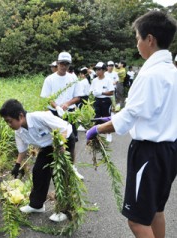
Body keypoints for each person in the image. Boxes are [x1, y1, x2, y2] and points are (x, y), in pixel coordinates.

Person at [86, 11, 177, 238]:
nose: (137, 44)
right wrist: (113, 118)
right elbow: (149, 110)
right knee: (156, 210)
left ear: (150, 39)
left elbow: (127, 118)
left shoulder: (149, 75)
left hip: (149, 153)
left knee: (136, 221)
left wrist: (97, 129)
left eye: (137, 38)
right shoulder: (172, 72)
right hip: (170, 150)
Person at [0, 99, 78, 222]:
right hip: (47, 147)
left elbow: (64, 128)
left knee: (60, 176)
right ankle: (36, 205)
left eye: (10, 121)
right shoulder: (19, 131)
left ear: (20, 116)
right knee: (38, 172)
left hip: (64, 141)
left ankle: (64, 210)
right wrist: (17, 165)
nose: (9, 125)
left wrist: (60, 145)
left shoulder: (40, 117)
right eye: (6, 122)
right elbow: (22, 150)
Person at [40, 51, 83, 179]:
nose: (64, 66)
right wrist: (57, 106)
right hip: (53, 113)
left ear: (69, 65)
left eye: (66, 64)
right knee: (53, 141)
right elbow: (47, 97)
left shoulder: (73, 78)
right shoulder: (50, 79)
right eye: (61, 63)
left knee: (71, 140)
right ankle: (54, 168)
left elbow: (78, 97)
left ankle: (72, 167)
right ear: (57, 63)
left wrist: (66, 104)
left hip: (69, 113)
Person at [89, 62, 114, 142]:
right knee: (96, 118)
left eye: (99, 69)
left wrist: (101, 92)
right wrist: (93, 93)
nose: (97, 71)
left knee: (106, 118)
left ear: (103, 70)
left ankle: (109, 134)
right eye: (96, 69)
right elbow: (91, 90)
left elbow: (111, 92)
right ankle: (97, 135)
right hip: (97, 100)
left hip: (105, 100)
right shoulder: (94, 81)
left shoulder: (108, 80)